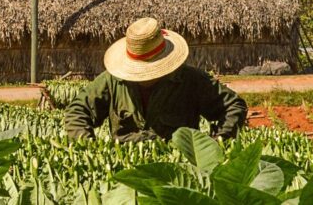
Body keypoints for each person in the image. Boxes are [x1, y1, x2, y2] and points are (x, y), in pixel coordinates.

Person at [64, 17, 247, 142]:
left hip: (177, 166)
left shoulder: (191, 80)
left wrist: (219, 141)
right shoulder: (111, 81)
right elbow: (78, 110)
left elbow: (234, 106)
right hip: (126, 166)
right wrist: (87, 145)